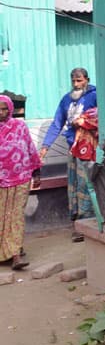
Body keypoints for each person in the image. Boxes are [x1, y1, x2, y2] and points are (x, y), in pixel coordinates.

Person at [40, 67, 98, 242]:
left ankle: (87, 225)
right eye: (73, 80)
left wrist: (84, 121)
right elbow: (57, 123)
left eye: (79, 80)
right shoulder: (66, 99)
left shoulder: (95, 96)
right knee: (74, 184)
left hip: (90, 148)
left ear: (87, 80)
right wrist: (45, 146)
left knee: (86, 185)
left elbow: (103, 116)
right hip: (72, 147)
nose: (76, 84)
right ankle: (78, 221)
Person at [0, 95, 42, 270]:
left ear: (10, 109)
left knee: (16, 216)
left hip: (21, 177)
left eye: (4, 108)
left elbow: (30, 148)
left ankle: (15, 254)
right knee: (2, 217)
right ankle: (6, 251)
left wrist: (37, 172)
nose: (1, 112)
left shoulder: (19, 126)